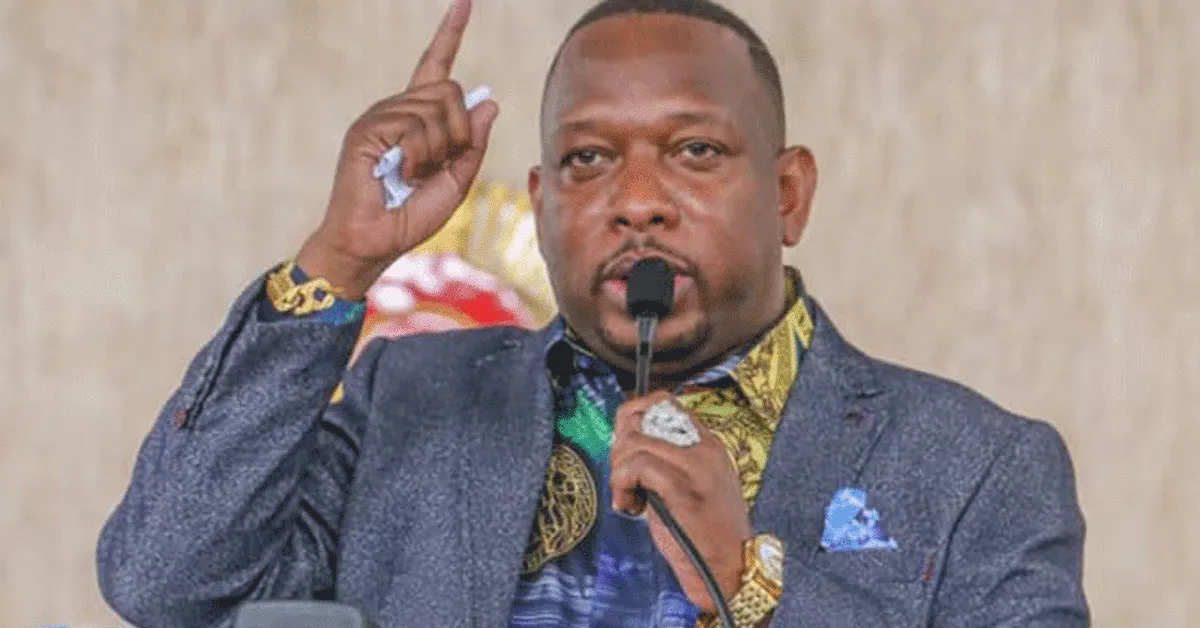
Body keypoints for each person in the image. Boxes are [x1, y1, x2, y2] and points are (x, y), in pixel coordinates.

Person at [95, 0, 1090, 626]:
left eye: (694, 151)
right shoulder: (412, 398)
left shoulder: (980, 467)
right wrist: (339, 259)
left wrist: (750, 580)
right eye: (588, 159)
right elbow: (165, 580)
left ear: (788, 195)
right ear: (541, 206)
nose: (637, 200)